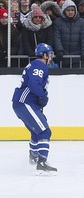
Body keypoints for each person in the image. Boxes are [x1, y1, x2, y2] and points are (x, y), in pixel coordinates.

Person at [12, 43, 57, 175]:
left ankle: (33, 158)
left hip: (23, 103)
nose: (51, 56)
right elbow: (34, 83)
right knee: (45, 132)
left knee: (37, 132)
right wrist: (42, 96)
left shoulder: (34, 65)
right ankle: (41, 163)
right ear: (44, 54)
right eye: (50, 54)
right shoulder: (39, 65)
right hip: (25, 103)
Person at [53, 0, 84, 68]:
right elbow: (57, 37)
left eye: (72, 10)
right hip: (62, 58)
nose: (70, 12)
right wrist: (59, 50)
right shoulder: (58, 22)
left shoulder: (82, 22)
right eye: (68, 10)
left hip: (77, 59)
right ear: (64, 11)